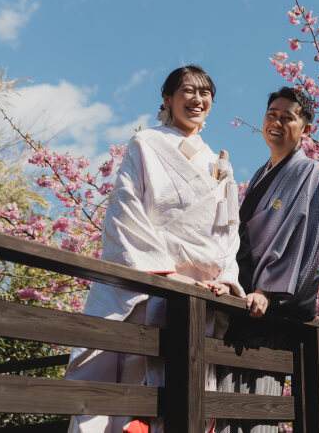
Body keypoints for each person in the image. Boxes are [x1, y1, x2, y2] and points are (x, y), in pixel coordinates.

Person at [65, 65, 245, 433]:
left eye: (205, 93)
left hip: (203, 293)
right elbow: (126, 209)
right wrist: (166, 274)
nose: (197, 99)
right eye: (188, 91)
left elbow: (229, 230)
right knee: (138, 386)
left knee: (191, 395)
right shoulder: (146, 143)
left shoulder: (218, 163)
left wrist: (226, 278)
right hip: (151, 284)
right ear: (167, 98)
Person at [216, 86, 319, 433]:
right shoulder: (260, 174)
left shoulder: (311, 171)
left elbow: (304, 238)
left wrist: (269, 291)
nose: (277, 123)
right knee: (223, 406)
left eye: (288, 118)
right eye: (272, 115)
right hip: (243, 301)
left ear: (306, 129)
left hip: (269, 307)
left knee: (255, 411)